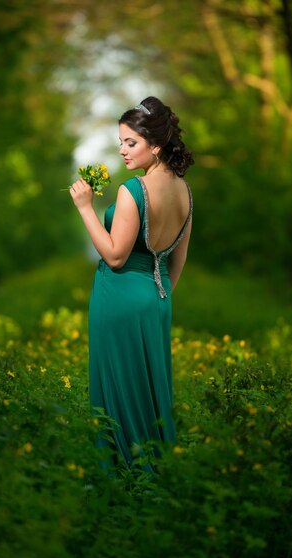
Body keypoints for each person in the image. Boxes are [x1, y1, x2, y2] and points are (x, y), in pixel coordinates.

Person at [69, 96, 194, 474]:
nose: (122, 150)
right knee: (150, 390)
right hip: (157, 299)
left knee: (119, 389)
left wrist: (86, 208)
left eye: (131, 143)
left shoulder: (133, 190)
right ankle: (153, 474)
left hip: (120, 299)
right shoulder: (184, 192)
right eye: (121, 142)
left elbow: (115, 256)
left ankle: (122, 476)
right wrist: (157, 296)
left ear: (155, 146)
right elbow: (178, 259)